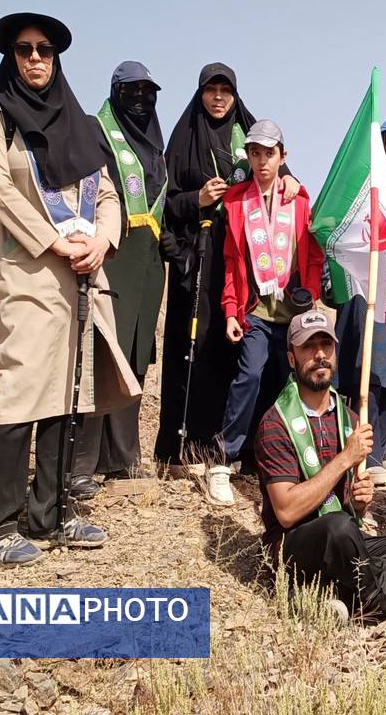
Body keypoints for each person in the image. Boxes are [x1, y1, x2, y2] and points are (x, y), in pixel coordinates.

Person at [0, 12, 141, 566]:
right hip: (29, 272)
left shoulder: (82, 123)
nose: (36, 58)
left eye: (45, 50)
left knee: (70, 393)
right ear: (11, 57)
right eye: (24, 50)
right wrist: (54, 241)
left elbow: (110, 193)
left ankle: (51, 511)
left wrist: (103, 239)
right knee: (20, 387)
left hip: (85, 278)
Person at [255, 309, 386, 624]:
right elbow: (287, 511)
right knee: (338, 527)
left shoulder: (348, 418)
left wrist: (359, 503)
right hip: (294, 547)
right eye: (308, 347)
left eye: (326, 345)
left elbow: (348, 507)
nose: (320, 355)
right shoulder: (275, 423)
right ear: (292, 358)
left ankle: (331, 595)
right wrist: (344, 459)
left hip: (346, 543)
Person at [155, 62, 298, 473]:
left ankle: (244, 447)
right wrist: (196, 199)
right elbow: (164, 202)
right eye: (211, 91)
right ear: (200, 94)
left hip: (244, 261)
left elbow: (276, 170)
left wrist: (292, 180)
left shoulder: (248, 135)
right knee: (195, 349)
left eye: (226, 92)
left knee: (239, 351)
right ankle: (188, 447)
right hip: (199, 258)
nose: (219, 98)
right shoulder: (184, 139)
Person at [71, 61, 167, 498]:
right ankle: (82, 463)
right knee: (102, 348)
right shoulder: (97, 129)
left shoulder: (154, 146)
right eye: (131, 91)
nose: (141, 99)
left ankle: (124, 457)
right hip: (113, 250)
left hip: (148, 260)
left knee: (135, 353)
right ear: (115, 92)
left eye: (148, 92)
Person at [215, 120, 322, 506]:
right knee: (248, 375)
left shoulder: (300, 200)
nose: (261, 161)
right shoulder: (236, 201)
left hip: (292, 314)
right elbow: (231, 263)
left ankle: (286, 462)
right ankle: (223, 461)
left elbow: (312, 255)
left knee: (290, 387)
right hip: (255, 312)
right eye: (254, 153)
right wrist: (230, 311)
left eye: (269, 154)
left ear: (283, 157)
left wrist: (309, 291)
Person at [333, 119, 386, 486]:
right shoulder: (362, 188)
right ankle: (358, 450)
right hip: (363, 287)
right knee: (362, 367)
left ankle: (382, 449)